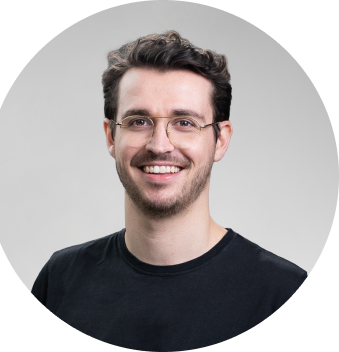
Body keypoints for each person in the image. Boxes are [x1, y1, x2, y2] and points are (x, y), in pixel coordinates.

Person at [31, 30, 307, 350]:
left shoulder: (282, 292)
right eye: (138, 121)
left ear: (220, 139)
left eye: (185, 122)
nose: (160, 145)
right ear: (110, 136)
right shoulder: (61, 280)